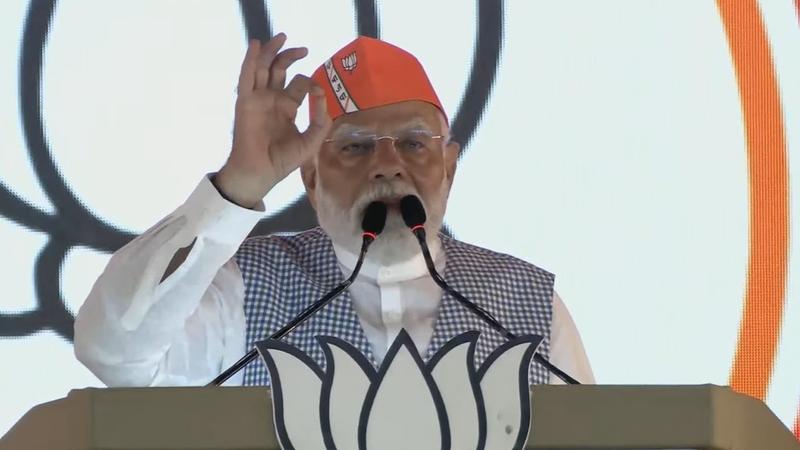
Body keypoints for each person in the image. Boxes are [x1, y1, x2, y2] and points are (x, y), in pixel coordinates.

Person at [74, 33, 594, 387]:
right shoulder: (249, 287)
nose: (387, 166)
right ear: (311, 176)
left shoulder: (528, 303)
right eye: (355, 147)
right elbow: (113, 351)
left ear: (450, 167)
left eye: (413, 143)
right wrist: (234, 188)